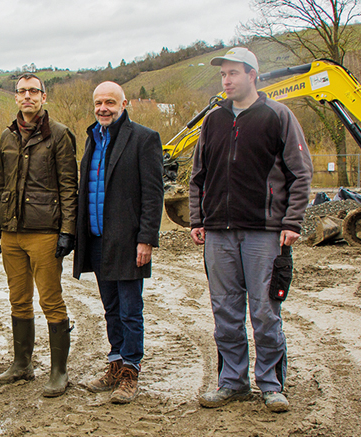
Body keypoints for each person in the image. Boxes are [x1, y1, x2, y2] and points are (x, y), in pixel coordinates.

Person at [189, 48, 313, 413]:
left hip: (264, 232)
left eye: (232, 74)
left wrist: (292, 221)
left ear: (252, 75)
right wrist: (198, 219)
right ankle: (232, 382)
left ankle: (272, 385)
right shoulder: (213, 121)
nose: (226, 81)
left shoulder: (278, 116)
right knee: (225, 312)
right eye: (223, 75)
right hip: (219, 232)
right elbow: (198, 176)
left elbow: (300, 173)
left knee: (264, 312)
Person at [72, 81, 164, 404]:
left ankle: (130, 370)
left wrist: (146, 239)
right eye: (98, 103)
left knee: (130, 310)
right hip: (97, 240)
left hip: (128, 242)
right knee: (111, 308)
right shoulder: (91, 140)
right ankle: (114, 362)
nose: (103, 108)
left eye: (110, 102)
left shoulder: (144, 139)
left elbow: (153, 194)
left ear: (124, 104)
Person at [0, 73, 78, 397]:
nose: (27, 96)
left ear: (43, 96)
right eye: (22, 91)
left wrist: (67, 231)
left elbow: (69, 186)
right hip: (12, 232)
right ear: (15, 97)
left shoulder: (59, 135)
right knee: (18, 299)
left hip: (44, 232)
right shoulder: (6, 137)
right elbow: (0, 187)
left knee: (51, 300)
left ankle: (59, 372)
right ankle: (22, 365)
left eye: (33, 91)